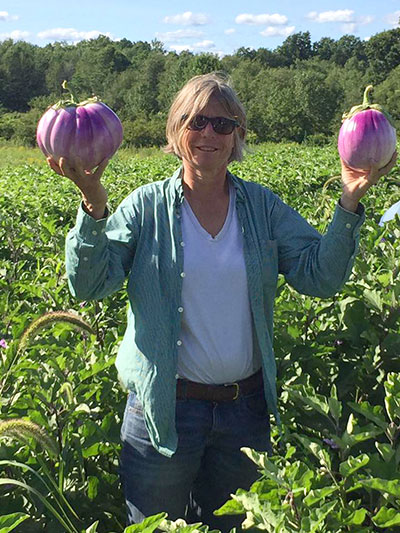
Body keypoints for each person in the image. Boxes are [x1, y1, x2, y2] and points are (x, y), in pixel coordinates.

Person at [48, 72, 397, 532]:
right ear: (175, 131)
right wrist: (94, 205)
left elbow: (320, 277)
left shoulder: (262, 207)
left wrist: (350, 201)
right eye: (196, 122)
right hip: (162, 413)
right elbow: (90, 285)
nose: (209, 134)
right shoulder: (145, 206)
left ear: (238, 137)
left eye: (223, 125)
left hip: (243, 414)